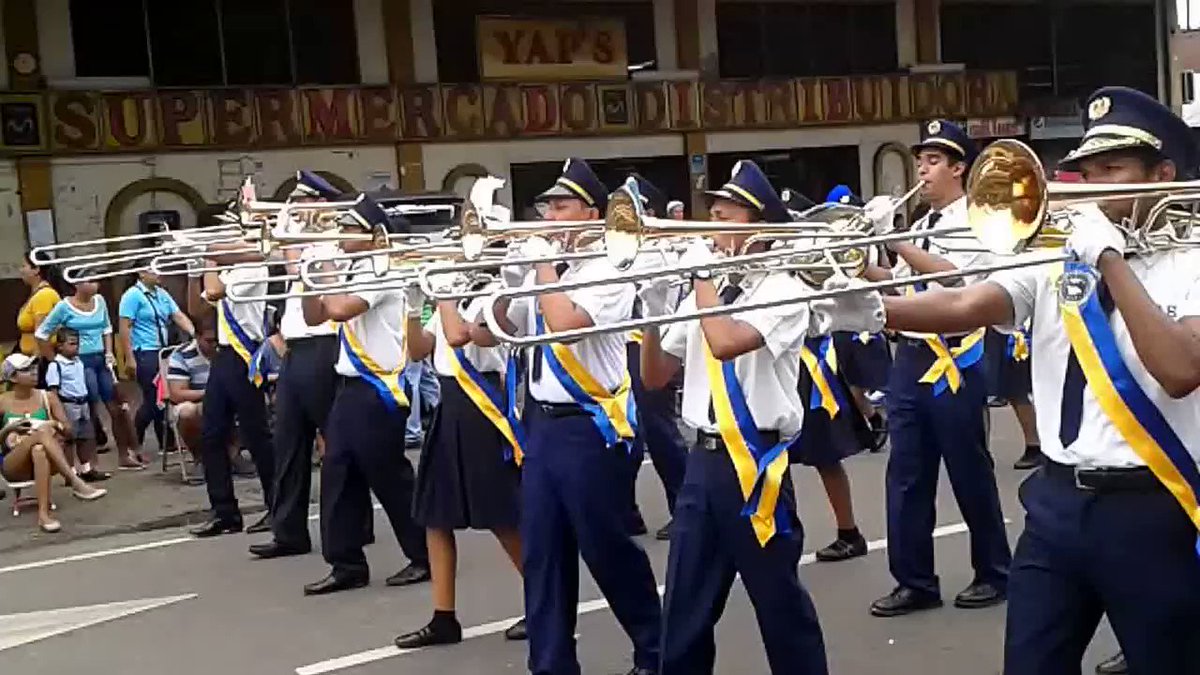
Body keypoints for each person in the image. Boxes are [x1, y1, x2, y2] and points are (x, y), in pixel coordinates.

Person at [825, 87, 1200, 674]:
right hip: (1055, 504)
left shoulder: (1190, 260)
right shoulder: (1056, 253)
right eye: (1085, 171)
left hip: (1153, 508)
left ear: (1164, 174)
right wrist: (870, 309)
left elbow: (1179, 370)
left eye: (1113, 169)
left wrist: (1110, 260)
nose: (1094, 186)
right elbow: (964, 305)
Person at [638, 161, 829, 674]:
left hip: (754, 463)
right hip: (702, 464)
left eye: (727, 212)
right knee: (684, 612)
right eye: (714, 211)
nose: (713, 220)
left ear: (760, 225)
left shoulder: (785, 289)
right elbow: (655, 375)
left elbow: (725, 344)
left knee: (780, 609)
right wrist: (654, 310)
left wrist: (700, 277)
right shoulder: (714, 290)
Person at [488, 158, 661, 675]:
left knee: (606, 549)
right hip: (542, 426)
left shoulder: (612, 266)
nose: (547, 216)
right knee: (543, 554)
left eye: (560, 206)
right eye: (545, 207)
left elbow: (565, 326)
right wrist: (503, 275)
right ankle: (551, 665)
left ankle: (656, 652)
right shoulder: (552, 270)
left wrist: (540, 268)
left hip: (591, 427)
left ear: (591, 213)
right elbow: (494, 329)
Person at [859, 119, 1011, 617]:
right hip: (910, 359)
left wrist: (897, 241)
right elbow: (901, 285)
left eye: (932, 162)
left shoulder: (976, 219)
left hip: (955, 361)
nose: (921, 170)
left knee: (969, 472)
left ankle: (994, 571)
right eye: (920, 160)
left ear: (958, 169)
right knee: (906, 477)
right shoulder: (923, 226)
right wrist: (858, 261)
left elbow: (957, 278)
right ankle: (915, 581)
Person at [299, 195, 430, 596]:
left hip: (378, 388)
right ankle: (346, 562)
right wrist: (307, 272)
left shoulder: (381, 270)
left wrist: (322, 265)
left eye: (349, 229)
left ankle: (425, 554)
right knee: (338, 472)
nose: (341, 236)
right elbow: (313, 316)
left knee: (389, 475)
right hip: (349, 386)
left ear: (374, 235)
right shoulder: (353, 270)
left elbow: (339, 309)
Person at [394, 273, 525, 647]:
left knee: (501, 516)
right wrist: (414, 305)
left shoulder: (494, 295)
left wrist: (445, 294)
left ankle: (542, 601)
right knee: (435, 515)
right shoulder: (450, 298)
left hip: (482, 408)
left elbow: (460, 336)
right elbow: (418, 350)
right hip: (449, 407)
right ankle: (443, 617)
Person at [251, 170, 348, 560]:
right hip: (295, 348)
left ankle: (348, 532)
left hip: (326, 345)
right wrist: (266, 224)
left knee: (338, 446)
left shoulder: (333, 240)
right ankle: (288, 530)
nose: (294, 209)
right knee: (288, 443)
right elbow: (259, 253)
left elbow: (295, 270)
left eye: (302, 202)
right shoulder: (299, 238)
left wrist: (288, 233)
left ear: (321, 205)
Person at [188, 241, 276, 538]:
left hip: (244, 355)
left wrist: (209, 256)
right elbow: (197, 310)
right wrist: (192, 268)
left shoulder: (253, 267)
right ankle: (224, 512)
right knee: (211, 433)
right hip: (225, 355)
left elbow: (214, 291)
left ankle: (278, 507)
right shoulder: (229, 269)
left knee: (256, 435)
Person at [623, 173, 689, 541]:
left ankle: (682, 504)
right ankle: (626, 509)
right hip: (621, 345)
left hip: (654, 345)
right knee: (625, 433)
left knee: (659, 431)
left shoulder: (664, 249)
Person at [35, 279, 142, 471]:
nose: (95, 284)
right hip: (80, 361)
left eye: (96, 279)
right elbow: (42, 333)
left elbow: (107, 328)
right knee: (90, 410)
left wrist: (109, 352)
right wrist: (56, 362)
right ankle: (90, 464)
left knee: (116, 407)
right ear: (76, 284)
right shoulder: (63, 306)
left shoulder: (100, 300)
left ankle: (124, 455)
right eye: (89, 280)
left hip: (101, 358)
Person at [0, 353, 107, 533]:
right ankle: (75, 481)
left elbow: (69, 430)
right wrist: (10, 429)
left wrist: (54, 425)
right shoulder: (3, 401)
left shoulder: (47, 397)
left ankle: (44, 515)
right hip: (13, 462)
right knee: (39, 438)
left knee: (40, 449)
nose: (34, 372)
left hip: (49, 461)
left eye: (34, 367)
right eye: (26, 369)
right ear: (13, 377)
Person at [119, 269, 194, 451]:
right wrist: (129, 357)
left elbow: (177, 315)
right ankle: (133, 440)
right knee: (153, 399)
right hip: (145, 351)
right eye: (154, 270)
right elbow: (124, 327)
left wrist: (194, 334)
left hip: (163, 350)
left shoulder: (161, 294)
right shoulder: (132, 296)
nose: (159, 274)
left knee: (163, 395)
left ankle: (166, 442)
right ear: (142, 274)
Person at [44, 329, 107, 482]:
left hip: (83, 402)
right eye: (71, 344)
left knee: (85, 437)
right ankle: (70, 473)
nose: (76, 347)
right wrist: (59, 414)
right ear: (59, 346)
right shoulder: (56, 366)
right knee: (68, 440)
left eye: (77, 344)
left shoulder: (78, 362)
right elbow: (53, 392)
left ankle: (86, 469)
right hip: (67, 404)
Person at [983, 320, 1043, 469]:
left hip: (1015, 328)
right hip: (980, 329)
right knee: (978, 392)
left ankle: (1035, 445)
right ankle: (981, 451)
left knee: (1018, 387)